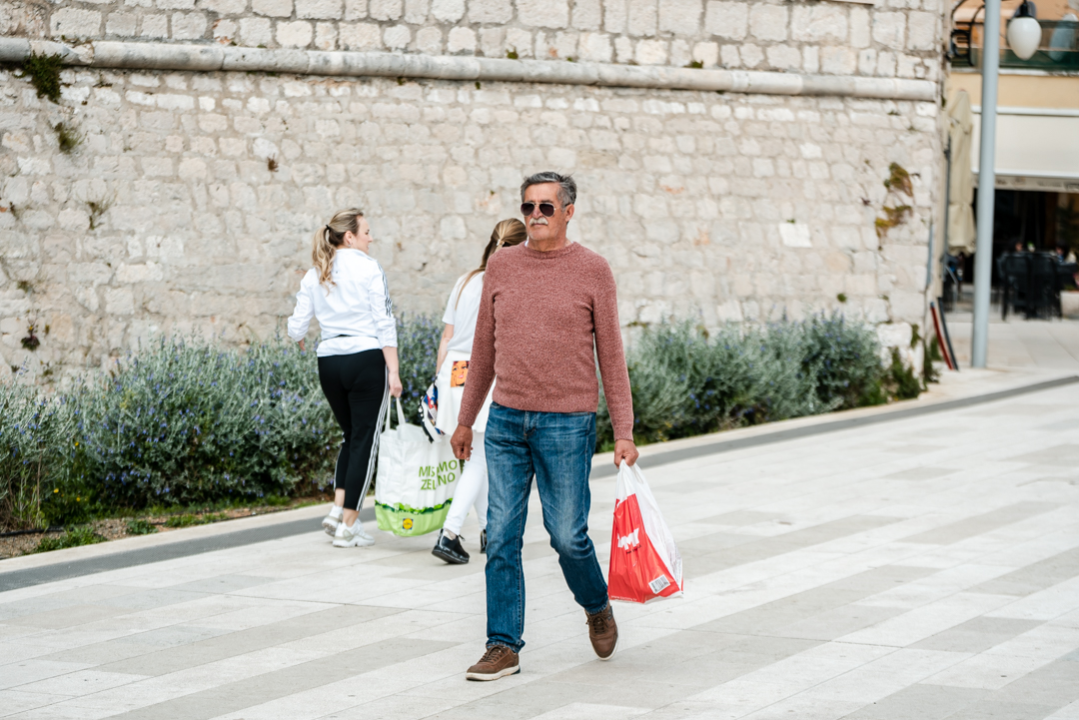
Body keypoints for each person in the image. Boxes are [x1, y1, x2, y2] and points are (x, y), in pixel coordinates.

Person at [450, 172, 639, 682]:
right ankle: (502, 644)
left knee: (566, 536)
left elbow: (612, 355)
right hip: (507, 420)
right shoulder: (502, 265)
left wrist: (624, 429)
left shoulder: (593, 270)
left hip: (568, 424)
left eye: (546, 207)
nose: (535, 215)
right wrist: (467, 419)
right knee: (503, 536)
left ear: (569, 211)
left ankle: (596, 605)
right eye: (529, 206)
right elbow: (484, 351)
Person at [287, 209, 403, 549]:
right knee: (365, 441)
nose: (371, 238)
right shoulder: (369, 268)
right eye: (366, 231)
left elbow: (296, 325)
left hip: (329, 363)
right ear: (349, 236)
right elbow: (384, 322)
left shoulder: (315, 273)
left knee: (350, 436)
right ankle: (350, 526)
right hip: (366, 360)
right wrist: (393, 371)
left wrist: (299, 337)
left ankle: (338, 510)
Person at [431, 218, 528, 565]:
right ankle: (450, 533)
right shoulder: (510, 282)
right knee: (481, 458)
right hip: (482, 371)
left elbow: (446, 336)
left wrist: (437, 384)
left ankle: (488, 529)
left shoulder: (465, 280)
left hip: (451, 371)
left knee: (475, 456)